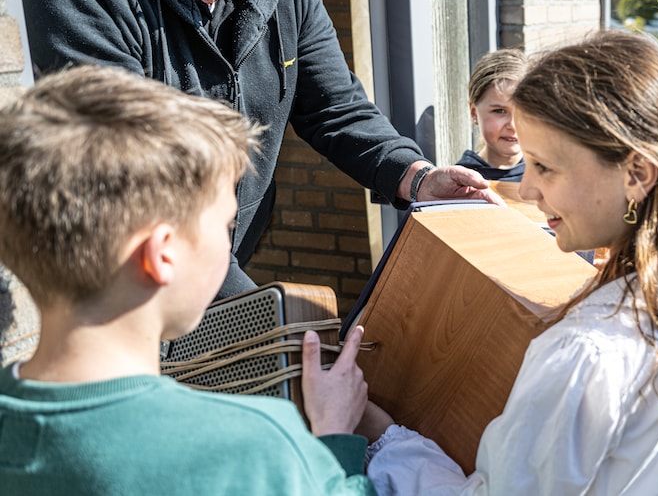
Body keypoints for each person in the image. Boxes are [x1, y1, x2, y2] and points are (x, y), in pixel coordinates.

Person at [18, 0, 497, 300]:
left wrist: (417, 177)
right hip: (120, 284)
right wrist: (268, 324)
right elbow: (129, 186)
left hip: (218, 267)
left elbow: (336, 107)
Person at [358, 30, 658, 495]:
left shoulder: (586, 353)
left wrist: (385, 439)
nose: (529, 189)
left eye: (545, 166)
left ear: (637, 174)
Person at [0, 66, 376, 494]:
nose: (227, 240)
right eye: (226, 224)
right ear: (162, 255)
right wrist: (333, 438)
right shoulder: (256, 448)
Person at [455, 48, 527, 182]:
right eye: (499, 111)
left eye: (524, 112)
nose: (513, 125)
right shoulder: (459, 182)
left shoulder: (551, 175)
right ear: (474, 113)